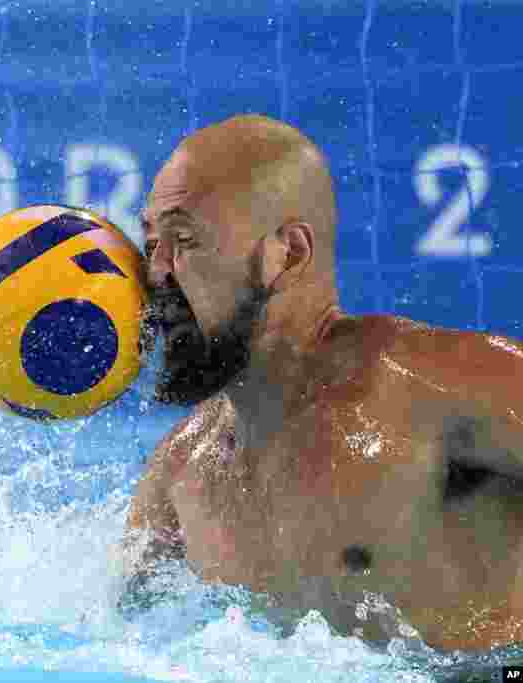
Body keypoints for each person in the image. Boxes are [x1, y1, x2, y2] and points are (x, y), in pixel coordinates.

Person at [117, 113, 523, 654]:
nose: (156, 272)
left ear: (289, 253)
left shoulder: (446, 388)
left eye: (183, 240)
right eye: (151, 243)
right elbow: (111, 639)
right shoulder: (179, 474)